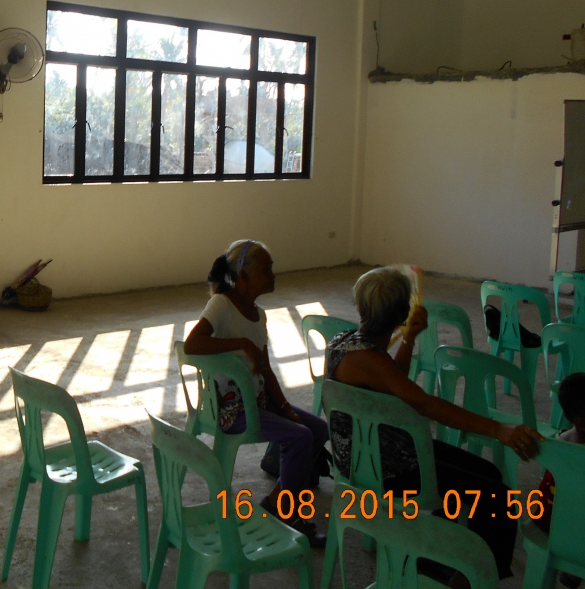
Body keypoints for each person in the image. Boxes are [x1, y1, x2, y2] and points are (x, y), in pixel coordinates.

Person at [327, 267, 543, 582]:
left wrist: (409, 337)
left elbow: (391, 380)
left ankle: (439, 555)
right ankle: (474, 580)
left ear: (361, 308)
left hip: (371, 453)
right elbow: (424, 403)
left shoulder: (343, 343)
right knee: (498, 498)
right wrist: (499, 430)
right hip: (386, 468)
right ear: (403, 313)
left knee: (488, 473)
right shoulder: (371, 361)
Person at [184, 239, 330, 547]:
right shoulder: (222, 304)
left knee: (317, 429)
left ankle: (276, 502)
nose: (273, 275)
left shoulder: (259, 315)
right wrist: (240, 343)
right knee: (299, 437)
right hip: (232, 410)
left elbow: (264, 369)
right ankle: (290, 516)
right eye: (266, 270)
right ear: (243, 276)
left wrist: (285, 405)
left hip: (258, 402)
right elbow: (192, 344)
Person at [534, 371, 585, 588]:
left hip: (549, 521)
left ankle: (573, 570)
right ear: (581, 422)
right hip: (572, 529)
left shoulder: (557, 441)